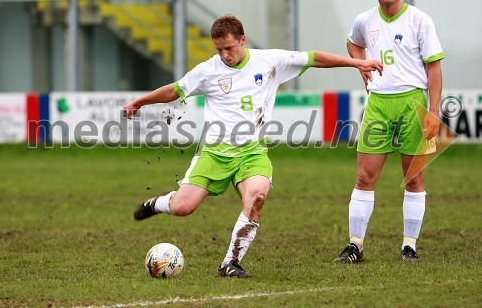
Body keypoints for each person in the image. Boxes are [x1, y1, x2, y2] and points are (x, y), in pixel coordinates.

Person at [123, 14, 382, 277]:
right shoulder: (208, 71)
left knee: (257, 197)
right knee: (182, 208)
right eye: (219, 49)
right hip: (214, 154)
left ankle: (230, 263)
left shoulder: (269, 61)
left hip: (252, 153)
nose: (225, 55)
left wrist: (356, 63)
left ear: (242, 40)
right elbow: (175, 90)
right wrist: (139, 102)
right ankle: (158, 203)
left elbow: (313, 58)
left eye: (230, 48)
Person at [333, 0, 444, 263]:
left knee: (414, 178)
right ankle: (355, 245)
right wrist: (362, 66)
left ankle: (410, 246)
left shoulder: (420, 21)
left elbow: (434, 68)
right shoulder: (364, 21)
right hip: (378, 104)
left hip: (413, 104)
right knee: (364, 176)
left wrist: (434, 111)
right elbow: (352, 43)